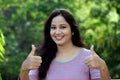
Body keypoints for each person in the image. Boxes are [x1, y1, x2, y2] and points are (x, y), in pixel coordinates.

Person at [18, 9, 110, 80]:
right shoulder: (42, 59)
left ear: (72, 30)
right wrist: (24, 68)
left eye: (63, 27)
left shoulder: (88, 57)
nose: (57, 32)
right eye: (53, 27)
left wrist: (103, 66)